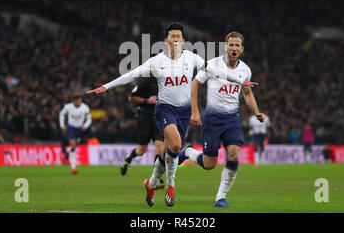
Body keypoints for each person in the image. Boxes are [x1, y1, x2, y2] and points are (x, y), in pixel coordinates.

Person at [87, 23, 251, 207]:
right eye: (172, 36)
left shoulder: (192, 58)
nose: (175, 40)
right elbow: (131, 74)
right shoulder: (156, 62)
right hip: (164, 110)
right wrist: (106, 86)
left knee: (167, 153)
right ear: (166, 41)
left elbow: (216, 72)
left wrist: (240, 80)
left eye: (178, 37)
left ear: (183, 41)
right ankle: (171, 186)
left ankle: (151, 183)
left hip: (183, 113)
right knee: (175, 144)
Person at [181, 31, 264, 208]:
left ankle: (220, 197)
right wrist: (195, 111)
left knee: (234, 154)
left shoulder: (245, 70)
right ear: (226, 47)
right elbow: (195, 84)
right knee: (209, 164)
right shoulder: (212, 64)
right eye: (231, 45)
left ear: (242, 49)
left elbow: (247, 93)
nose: (234, 48)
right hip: (212, 119)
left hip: (232, 119)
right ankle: (188, 152)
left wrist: (256, 112)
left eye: (237, 45)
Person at [120, 76, 165, 190]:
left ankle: (156, 179)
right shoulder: (145, 82)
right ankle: (128, 158)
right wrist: (146, 100)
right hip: (144, 117)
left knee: (159, 148)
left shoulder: (165, 81)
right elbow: (131, 97)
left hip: (158, 117)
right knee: (141, 150)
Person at [59, 93, 92, 174]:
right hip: (71, 128)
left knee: (73, 148)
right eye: (76, 101)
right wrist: (62, 125)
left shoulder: (85, 108)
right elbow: (61, 114)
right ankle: (73, 168)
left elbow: (89, 119)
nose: (78, 102)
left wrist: (85, 126)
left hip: (80, 129)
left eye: (79, 100)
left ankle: (67, 151)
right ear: (73, 101)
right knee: (73, 145)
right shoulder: (68, 107)